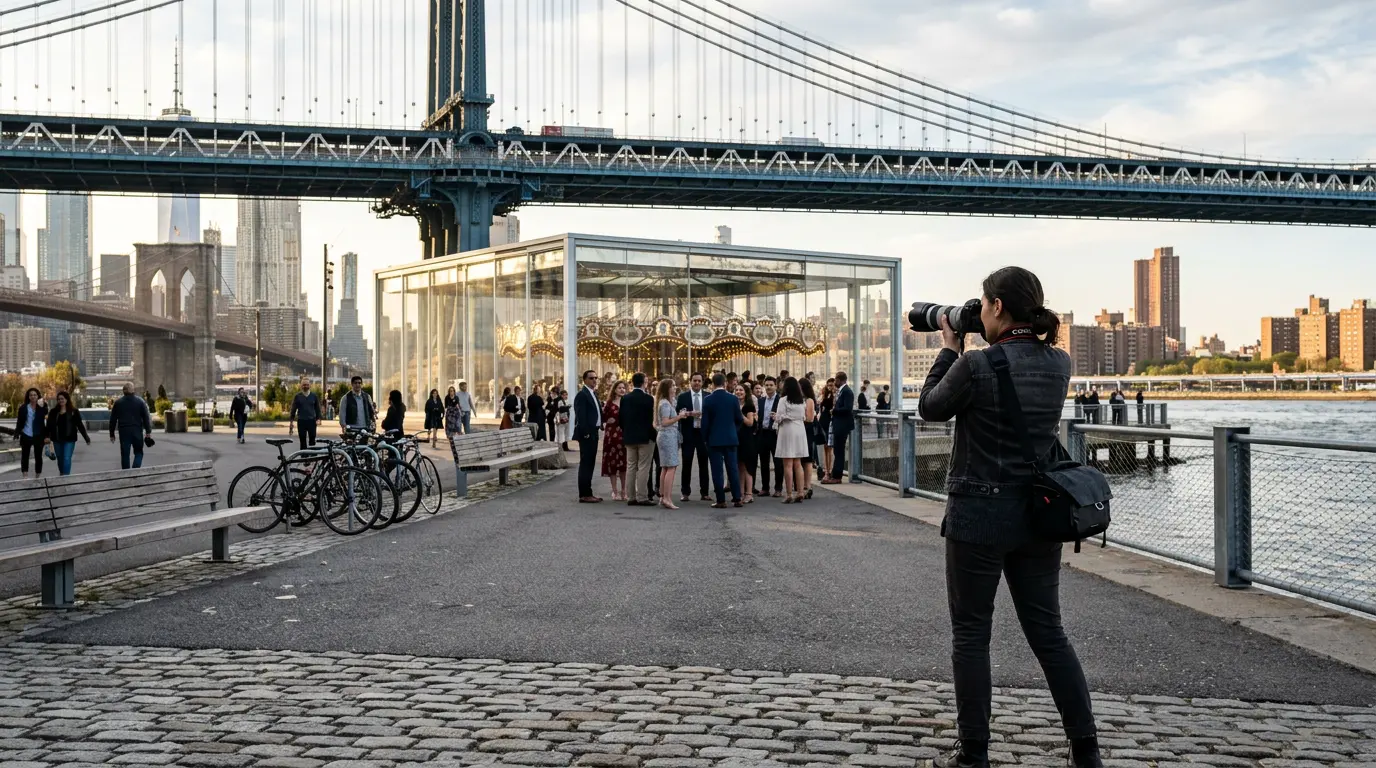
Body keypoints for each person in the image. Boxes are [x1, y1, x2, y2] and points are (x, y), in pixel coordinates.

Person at [918, 266, 1101, 768]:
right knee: (1049, 633)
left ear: (997, 307)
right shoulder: (1058, 363)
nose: (978, 311)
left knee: (972, 635)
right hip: (1039, 515)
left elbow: (930, 408)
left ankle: (974, 753)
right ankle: (1086, 750)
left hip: (979, 516)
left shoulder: (977, 364)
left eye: (982, 303)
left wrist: (950, 347)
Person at [700, 372, 744, 508]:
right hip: (731, 438)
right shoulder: (733, 399)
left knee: (717, 470)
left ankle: (721, 500)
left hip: (714, 439)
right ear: (725, 383)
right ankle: (737, 498)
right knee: (733, 469)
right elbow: (739, 419)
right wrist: (733, 431)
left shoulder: (708, 400)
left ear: (712, 384)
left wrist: (705, 438)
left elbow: (705, 423)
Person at [620, 372, 656, 506]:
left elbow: (621, 419)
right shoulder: (649, 399)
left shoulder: (625, 398)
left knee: (631, 466)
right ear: (644, 383)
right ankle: (642, 496)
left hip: (629, 437)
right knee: (643, 467)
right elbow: (651, 419)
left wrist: (626, 431)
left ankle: (631, 496)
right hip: (645, 437)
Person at [774, 376, 811, 503]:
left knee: (787, 464)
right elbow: (804, 416)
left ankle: (789, 494)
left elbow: (779, 417)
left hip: (788, 430)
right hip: (800, 429)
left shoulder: (783, 400)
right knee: (798, 463)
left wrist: (778, 417)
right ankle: (800, 491)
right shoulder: (801, 401)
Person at [676, 372, 710, 502]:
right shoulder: (683, 397)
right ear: (690, 382)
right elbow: (678, 413)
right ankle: (685, 492)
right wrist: (689, 414)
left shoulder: (708, 396)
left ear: (702, 383)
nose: (697, 383)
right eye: (694, 380)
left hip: (702, 434)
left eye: (699, 381)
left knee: (704, 463)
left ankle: (705, 492)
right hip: (688, 433)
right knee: (687, 463)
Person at [656, 378, 688, 510]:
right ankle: (667, 498)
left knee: (665, 467)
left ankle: (663, 496)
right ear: (666, 389)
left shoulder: (668, 402)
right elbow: (664, 422)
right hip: (667, 435)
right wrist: (679, 417)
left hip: (668, 435)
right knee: (671, 467)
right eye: (672, 386)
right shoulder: (664, 404)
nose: (675, 387)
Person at [44, 390, 90, 476]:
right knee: (60, 459)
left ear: (67, 399)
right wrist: (46, 436)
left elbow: (80, 425)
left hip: (69, 439)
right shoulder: (53, 412)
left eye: (62, 399)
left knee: (66, 458)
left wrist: (86, 438)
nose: (60, 400)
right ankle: (62, 473)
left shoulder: (73, 411)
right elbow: (48, 425)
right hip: (57, 439)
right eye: (59, 399)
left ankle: (66, 477)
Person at [573, 370, 603, 503]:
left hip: (594, 432)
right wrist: (586, 433)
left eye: (596, 378)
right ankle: (585, 494)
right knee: (586, 463)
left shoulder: (592, 393)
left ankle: (588, 492)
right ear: (584, 380)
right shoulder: (582, 395)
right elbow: (581, 416)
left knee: (590, 463)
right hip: (587, 434)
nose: (594, 380)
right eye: (591, 378)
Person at [109, 382, 153, 469]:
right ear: (133, 390)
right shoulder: (140, 401)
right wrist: (148, 431)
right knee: (138, 452)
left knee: (125, 454)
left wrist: (112, 434)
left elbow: (113, 420)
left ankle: (126, 475)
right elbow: (146, 417)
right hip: (137, 431)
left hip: (124, 432)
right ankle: (135, 471)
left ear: (123, 391)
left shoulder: (118, 403)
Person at [601, 381, 628, 501]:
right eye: (619, 388)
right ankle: (614, 491)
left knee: (624, 465)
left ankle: (624, 491)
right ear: (615, 389)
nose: (622, 390)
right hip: (611, 436)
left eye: (623, 388)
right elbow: (603, 417)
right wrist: (608, 421)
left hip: (624, 435)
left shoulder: (627, 402)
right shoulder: (609, 403)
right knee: (612, 464)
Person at [827, 371, 855, 483]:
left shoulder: (847, 392)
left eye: (836, 380)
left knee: (839, 450)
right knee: (837, 450)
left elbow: (848, 408)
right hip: (839, 424)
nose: (835, 382)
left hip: (842, 425)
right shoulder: (843, 391)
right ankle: (836, 474)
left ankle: (837, 476)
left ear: (840, 379)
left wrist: (835, 411)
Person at [16, 387, 48, 478]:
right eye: (31, 395)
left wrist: (43, 405)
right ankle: (25, 475)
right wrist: (17, 432)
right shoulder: (23, 407)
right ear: (28, 397)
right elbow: (19, 421)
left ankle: (37, 475)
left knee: (38, 456)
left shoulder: (42, 406)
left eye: (35, 395)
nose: (33, 396)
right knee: (25, 456)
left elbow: (46, 416)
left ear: (38, 396)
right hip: (26, 434)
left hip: (38, 435)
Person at [735, 384, 758, 504]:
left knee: (748, 467)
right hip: (736, 438)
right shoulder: (734, 404)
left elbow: (750, 422)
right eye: (737, 390)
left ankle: (749, 493)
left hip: (747, 439)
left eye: (741, 390)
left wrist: (739, 414)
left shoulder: (749, 406)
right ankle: (740, 492)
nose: (738, 392)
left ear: (746, 392)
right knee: (740, 466)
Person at [798, 377, 820, 499]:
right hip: (800, 431)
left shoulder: (809, 400)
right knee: (800, 460)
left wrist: (796, 418)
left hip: (807, 431)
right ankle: (802, 486)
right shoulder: (798, 400)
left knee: (807, 460)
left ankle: (808, 486)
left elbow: (810, 418)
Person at [755, 381, 776, 496]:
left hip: (775, 434)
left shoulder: (780, 400)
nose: (768, 387)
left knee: (778, 462)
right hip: (763, 433)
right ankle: (765, 488)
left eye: (771, 385)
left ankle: (778, 488)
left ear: (775, 386)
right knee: (763, 462)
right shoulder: (761, 400)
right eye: (766, 385)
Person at [288, 377, 321, 450]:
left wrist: (318, 419)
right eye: (304, 385)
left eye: (307, 384)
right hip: (301, 421)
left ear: (310, 385)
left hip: (312, 421)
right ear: (301, 386)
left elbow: (317, 409)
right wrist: (291, 422)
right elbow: (293, 409)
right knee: (302, 441)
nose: (305, 386)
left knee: (312, 440)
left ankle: (312, 458)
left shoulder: (314, 396)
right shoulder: (297, 396)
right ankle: (304, 458)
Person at [819, 380, 836, 484]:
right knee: (825, 448)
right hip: (824, 422)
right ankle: (826, 470)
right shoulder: (825, 394)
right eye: (829, 385)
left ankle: (829, 470)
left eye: (832, 385)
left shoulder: (834, 396)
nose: (830, 387)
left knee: (829, 449)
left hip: (830, 422)